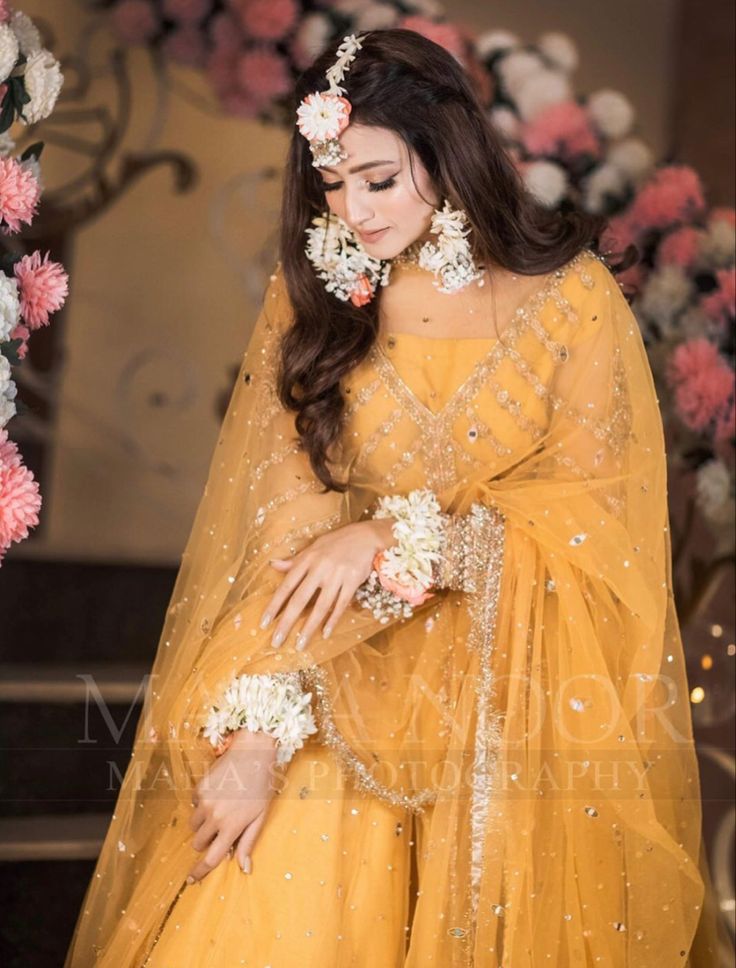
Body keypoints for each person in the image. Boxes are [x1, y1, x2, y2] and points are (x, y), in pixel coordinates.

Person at [64, 29, 728, 967]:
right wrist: (254, 734)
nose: (354, 210)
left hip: (523, 706)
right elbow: (284, 541)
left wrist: (392, 539)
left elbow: (599, 525)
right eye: (332, 185)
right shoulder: (320, 303)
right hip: (342, 676)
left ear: (446, 151)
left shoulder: (571, 301)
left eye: (378, 178)